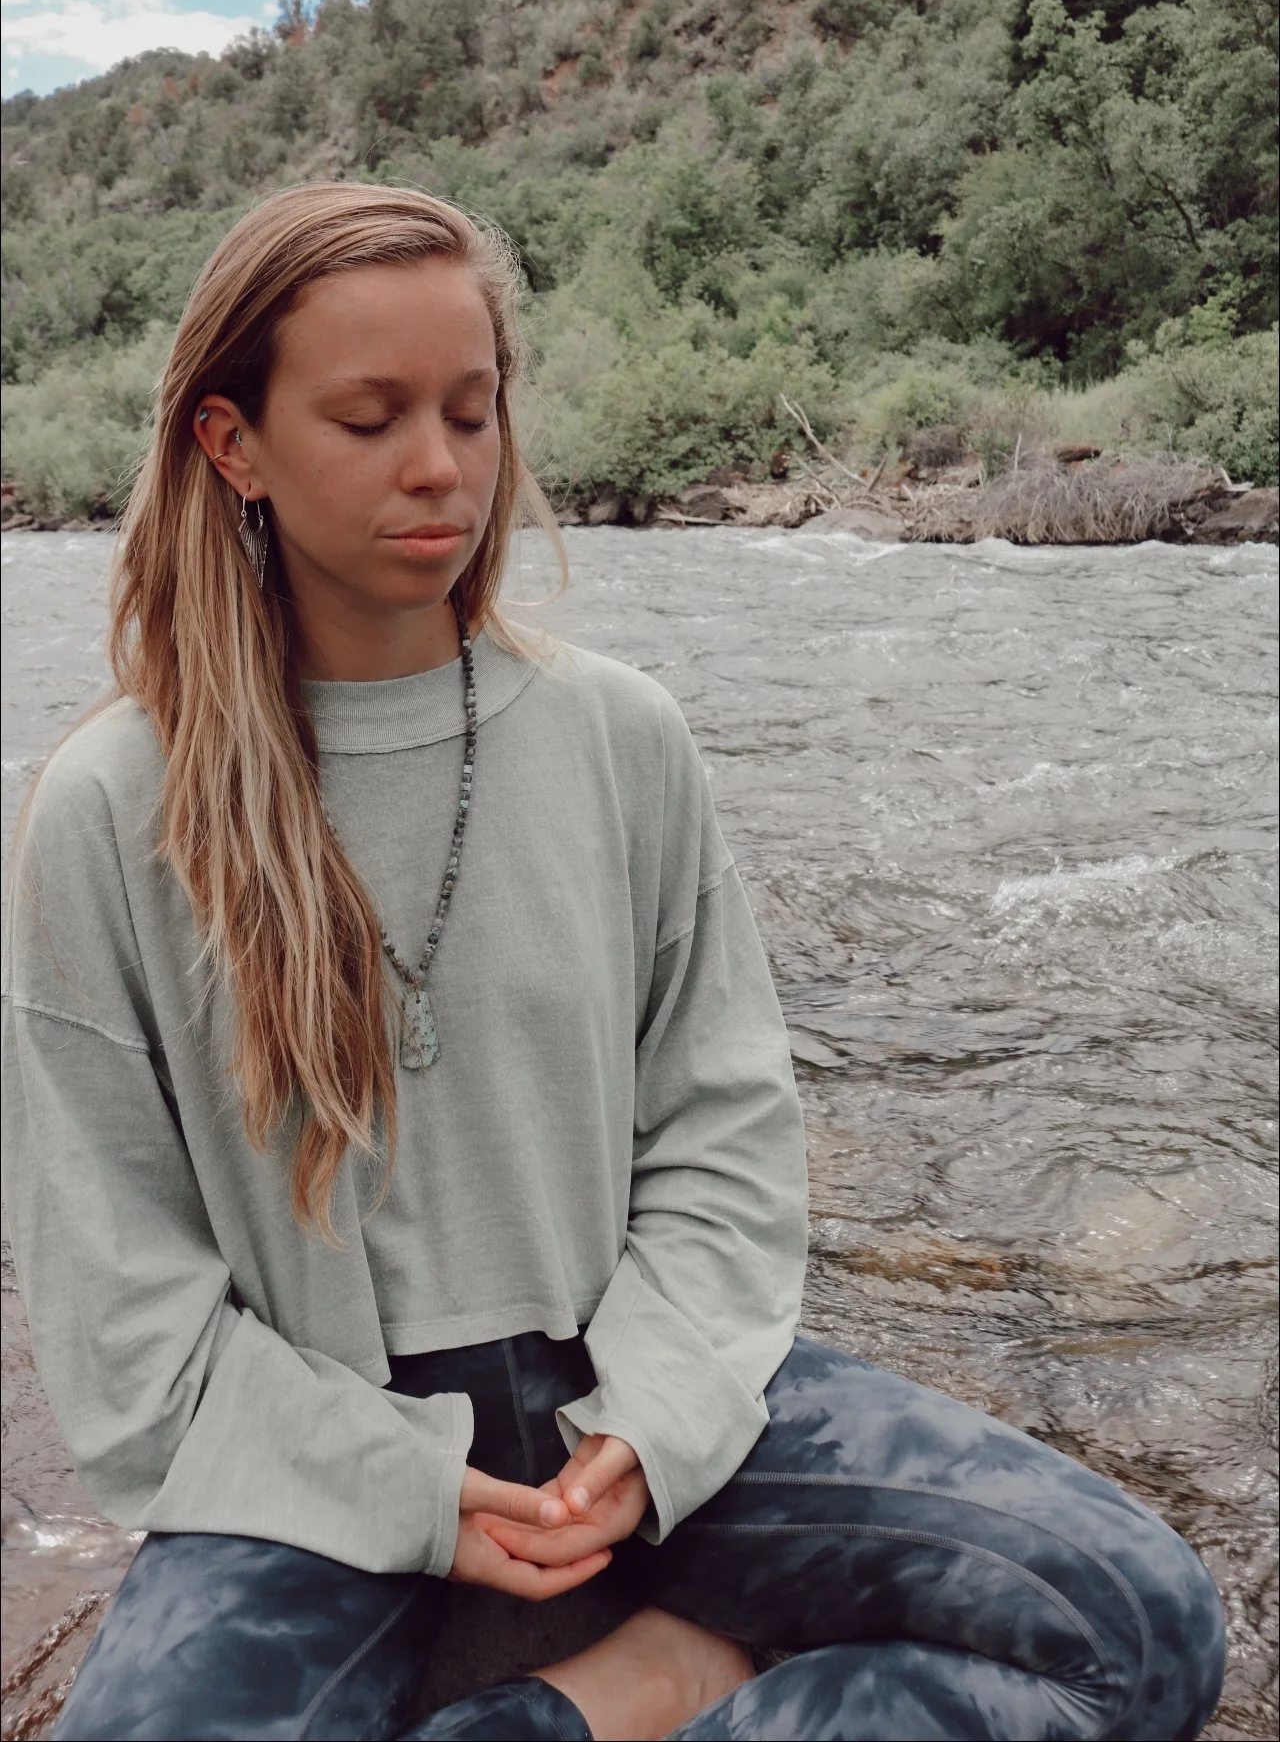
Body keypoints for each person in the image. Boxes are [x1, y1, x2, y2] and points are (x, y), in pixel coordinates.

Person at [2, 183, 1224, 1742]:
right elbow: (124, 1312)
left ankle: (591, 1704)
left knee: (1140, 1627)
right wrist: (409, 1495)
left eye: (470, 407)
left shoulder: (618, 737)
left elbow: (723, 1133)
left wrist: (652, 1422)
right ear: (233, 444)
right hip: (312, 1459)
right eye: (368, 419)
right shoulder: (113, 809)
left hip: (635, 1397)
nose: (438, 465)